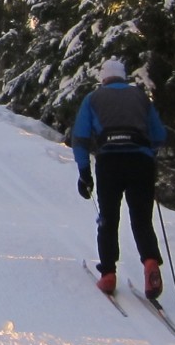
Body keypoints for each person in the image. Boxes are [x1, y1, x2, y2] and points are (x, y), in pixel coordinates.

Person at [69, 57, 168, 299]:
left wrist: (84, 173)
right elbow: (159, 134)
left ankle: (108, 275)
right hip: (141, 162)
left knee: (108, 218)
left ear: (103, 78)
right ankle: (150, 262)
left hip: (109, 162)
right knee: (142, 219)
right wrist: (149, 154)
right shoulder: (140, 97)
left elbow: (80, 137)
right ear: (123, 77)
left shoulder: (93, 98)